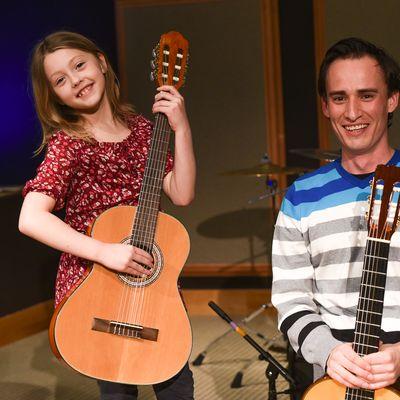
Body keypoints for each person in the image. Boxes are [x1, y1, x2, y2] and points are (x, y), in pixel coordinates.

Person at [19, 31, 196, 400]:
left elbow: (182, 193)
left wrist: (182, 128)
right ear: (54, 95)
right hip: (97, 283)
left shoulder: (146, 131)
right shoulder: (69, 143)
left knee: (177, 381)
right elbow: (30, 218)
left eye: (79, 65)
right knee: (117, 386)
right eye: (61, 80)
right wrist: (106, 251)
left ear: (100, 61)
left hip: (148, 276)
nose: (76, 81)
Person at [272, 37, 400, 399]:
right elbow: (291, 298)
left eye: (367, 95)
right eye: (339, 98)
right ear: (326, 106)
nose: (352, 112)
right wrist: (328, 352)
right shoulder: (301, 197)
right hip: (334, 372)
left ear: (392, 99)